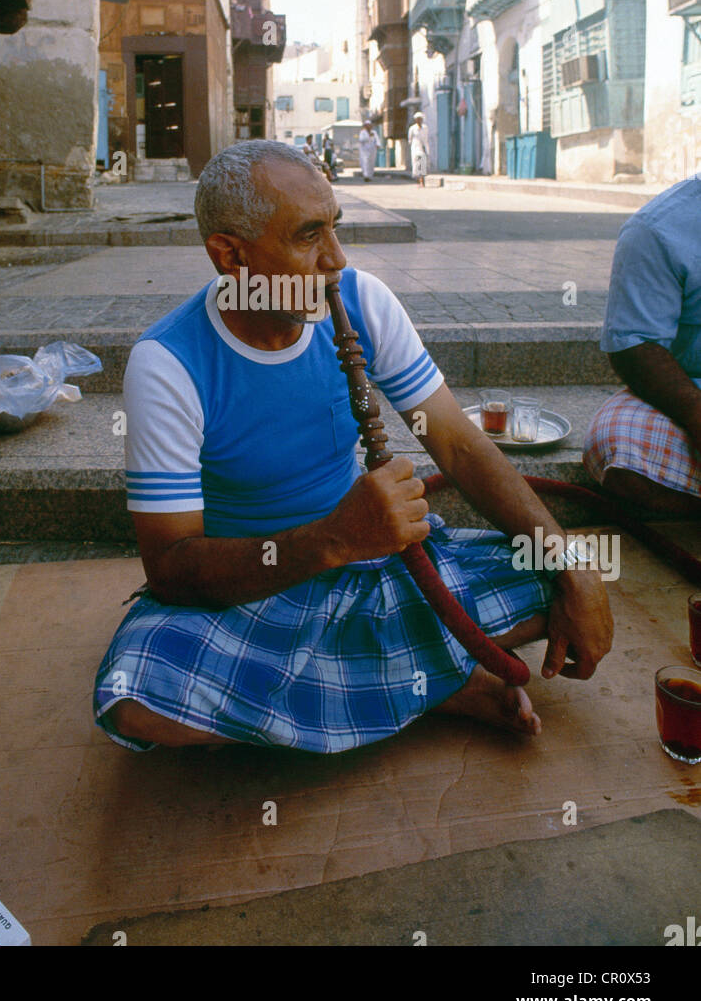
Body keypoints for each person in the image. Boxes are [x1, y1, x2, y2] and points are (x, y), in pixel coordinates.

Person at [93, 140, 612, 754]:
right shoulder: (168, 365)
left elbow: (458, 445)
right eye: (308, 237)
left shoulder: (363, 301)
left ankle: (383, 688)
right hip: (250, 595)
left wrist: (571, 567)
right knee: (136, 696)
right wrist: (334, 539)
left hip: (379, 568)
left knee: (553, 576)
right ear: (230, 257)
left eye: (335, 228)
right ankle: (440, 682)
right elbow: (173, 569)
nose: (336, 260)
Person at [583, 176, 701, 517]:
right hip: (690, 394)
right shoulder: (656, 229)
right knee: (618, 443)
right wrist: (695, 414)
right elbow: (635, 346)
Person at [408, 112, 429, 187]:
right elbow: (409, 139)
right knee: (416, 164)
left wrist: (426, 148)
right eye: (418, 119)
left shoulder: (425, 128)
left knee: (422, 163)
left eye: (420, 119)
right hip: (415, 147)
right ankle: (418, 180)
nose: (419, 120)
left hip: (423, 147)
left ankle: (422, 181)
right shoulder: (412, 128)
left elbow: (426, 139)